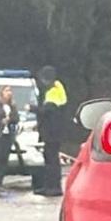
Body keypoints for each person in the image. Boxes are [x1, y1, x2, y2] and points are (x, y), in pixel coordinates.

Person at [33, 65, 67, 196]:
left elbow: (46, 111)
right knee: (51, 159)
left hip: (52, 133)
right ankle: (49, 186)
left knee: (51, 160)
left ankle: (53, 188)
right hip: (54, 132)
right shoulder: (58, 88)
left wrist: (32, 108)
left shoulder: (53, 92)